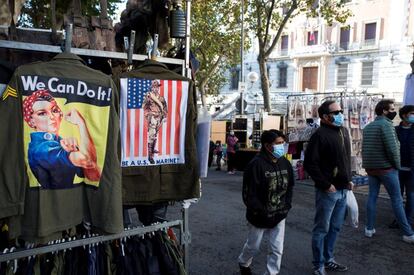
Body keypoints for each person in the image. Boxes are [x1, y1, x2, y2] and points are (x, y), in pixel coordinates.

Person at [304, 100, 352, 275]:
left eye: (341, 110)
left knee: (335, 227)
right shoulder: (319, 135)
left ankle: (328, 259)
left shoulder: (344, 131)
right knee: (321, 229)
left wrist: (349, 178)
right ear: (325, 116)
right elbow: (310, 163)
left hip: (343, 189)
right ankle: (318, 264)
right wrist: (325, 184)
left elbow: (346, 158)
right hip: (328, 191)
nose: (341, 114)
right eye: (336, 111)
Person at [238, 130, 294, 275]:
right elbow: (248, 194)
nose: (282, 146)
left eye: (283, 143)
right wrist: (259, 210)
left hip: (279, 214)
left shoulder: (285, 163)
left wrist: (286, 206)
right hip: (259, 217)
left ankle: (271, 273)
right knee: (253, 246)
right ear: (268, 146)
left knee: (276, 249)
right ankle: (244, 262)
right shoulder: (255, 165)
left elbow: (290, 187)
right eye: (278, 143)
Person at [23, 90, 101, 189]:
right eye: (42, 113)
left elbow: (95, 176)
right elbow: (88, 161)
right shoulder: (41, 148)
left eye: (54, 110)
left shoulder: (60, 142)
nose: (51, 117)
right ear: (31, 121)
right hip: (53, 201)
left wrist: (75, 151)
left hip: (72, 199)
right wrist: (81, 124)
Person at [362, 100, 414, 243]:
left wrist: (367, 166)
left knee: (372, 197)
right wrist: (397, 166)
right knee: (397, 200)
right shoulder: (387, 126)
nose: (393, 111)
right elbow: (393, 149)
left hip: (372, 169)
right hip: (387, 169)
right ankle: (408, 233)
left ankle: (369, 228)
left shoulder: (368, 127)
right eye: (391, 109)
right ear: (384, 111)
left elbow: (365, 149)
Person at [389, 105, 414, 229]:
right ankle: (399, 219)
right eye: (412, 113)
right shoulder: (395, 130)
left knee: (411, 196)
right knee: (397, 197)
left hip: (411, 171)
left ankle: (407, 221)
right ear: (404, 115)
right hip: (396, 170)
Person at [143, 80, 167, 164]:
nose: (156, 88)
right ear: (152, 88)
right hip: (152, 118)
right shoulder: (149, 97)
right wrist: (147, 115)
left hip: (159, 118)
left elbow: (164, 107)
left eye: (157, 87)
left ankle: (152, 150)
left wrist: (164, 117)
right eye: (154, 87)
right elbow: (144, 107)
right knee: (151, 136)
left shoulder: (161, 98)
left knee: (155, 135)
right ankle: (150, 156)